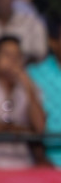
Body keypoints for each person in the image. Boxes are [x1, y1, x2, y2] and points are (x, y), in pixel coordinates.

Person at [0, 35, 47, 169]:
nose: (13, 60)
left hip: (22, 163)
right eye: (7, 55)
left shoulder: (30, 87)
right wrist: (21, 130)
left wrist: (28, 86)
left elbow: (39, 128)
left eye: (17, 55)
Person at [29, 12, 61, 166]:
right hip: (46, 162)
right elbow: (7, 113)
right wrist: (39, 157)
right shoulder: (33, 74)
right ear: (53, 42)